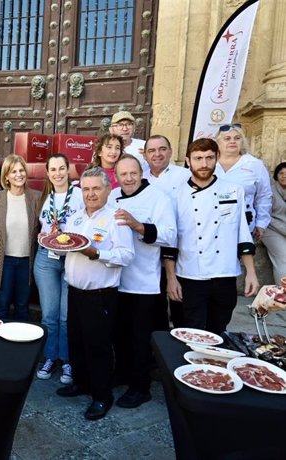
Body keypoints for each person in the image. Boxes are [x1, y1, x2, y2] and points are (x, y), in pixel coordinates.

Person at [56, 167, 134, 421]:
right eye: (86, 189)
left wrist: (97, 253)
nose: (90, 194)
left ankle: (102, 396)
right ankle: (81, 383)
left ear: (107, 190)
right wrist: (52, 240)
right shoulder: (76, 217)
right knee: (76, 341)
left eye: (96, 188)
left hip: (100, 294)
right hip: (75, 292)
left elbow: (126, 255)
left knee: (98, 347)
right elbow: (65, 248)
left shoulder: (117, 218)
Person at [165, 138, 259, 335]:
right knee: (191, 331)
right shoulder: (175, 195)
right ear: (188, 161)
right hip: (190, 275)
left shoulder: (233, 190)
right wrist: (171, 278)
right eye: (198, 158)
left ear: (217, 158)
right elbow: (170, 242)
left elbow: (242, 233)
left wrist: (251, 272)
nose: (204, 164)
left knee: (219, 330)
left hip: (224, 274)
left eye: (209, 158)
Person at [108, 154, 176, 409]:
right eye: (123, 174)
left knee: (140, 338)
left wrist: (138, 226)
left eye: (132, 173)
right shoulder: (112, 195)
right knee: (119, 333)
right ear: (116, 175)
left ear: (141, 173)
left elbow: (170, 235)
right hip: (115, 280)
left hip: (144, 282)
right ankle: (123, 373)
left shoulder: (158, 198)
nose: (128, 178)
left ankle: (141, 386)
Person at [34, 154, 84, 384]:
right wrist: (42, 235)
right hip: (47, 259)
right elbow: (43, 225)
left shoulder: (80, 195)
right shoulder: (47, 197)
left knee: (66, 315)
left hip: (72, 258)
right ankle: (49, 356)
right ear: (48, 172)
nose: (58, 173)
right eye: (53, 169)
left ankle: (67, 360)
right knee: (49, 314)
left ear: (69, 169)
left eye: (61, 168)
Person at [142, 134, 190, 330]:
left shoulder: (185, 176)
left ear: (170, 151)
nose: (157, 154)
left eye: (162, 149)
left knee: (180, 301)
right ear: (145, 155)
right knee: (155, 304)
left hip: (180, 246)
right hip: (150, 247)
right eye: (151, 150)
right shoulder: (140, 177)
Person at [0, 154, 40, 321]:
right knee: (1, 306)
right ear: (6, 177)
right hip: (4, 261)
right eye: (14, 171)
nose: (19, 174)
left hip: (26, 261)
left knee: (22, 306)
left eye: (22, 170)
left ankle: (23, 345)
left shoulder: (36, 198)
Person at [214, 123, 272, 239]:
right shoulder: (208, 162)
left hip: (243, 226)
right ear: (218, 142)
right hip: (210, 223)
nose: (232, 141)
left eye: (237, 138)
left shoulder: (255, 165)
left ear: (242, 141)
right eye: (227, 138)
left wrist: (261, 223)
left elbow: (264, 196)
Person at [261, 162, 286, 283]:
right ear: (276, 176)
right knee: (283, 257)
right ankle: (282, 294)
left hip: (284, 229)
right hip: (270, 229)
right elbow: (266, 216)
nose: (284, 176)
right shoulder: (270, 192)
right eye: (281, 173)